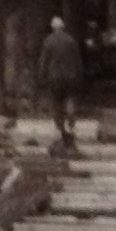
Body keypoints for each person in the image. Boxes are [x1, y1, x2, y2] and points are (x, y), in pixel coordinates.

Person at [38, 13, 85, 147]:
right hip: (70, 77)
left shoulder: (48, 41)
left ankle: (59, 129)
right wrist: (79, 74)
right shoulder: (71, 40)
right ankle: (71, 125)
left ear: (53, 27)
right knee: (70, 99)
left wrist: (41, 76)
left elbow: (44, 61)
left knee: (56, 103)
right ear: (63, 27)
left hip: (54, 77)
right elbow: (77, 60)